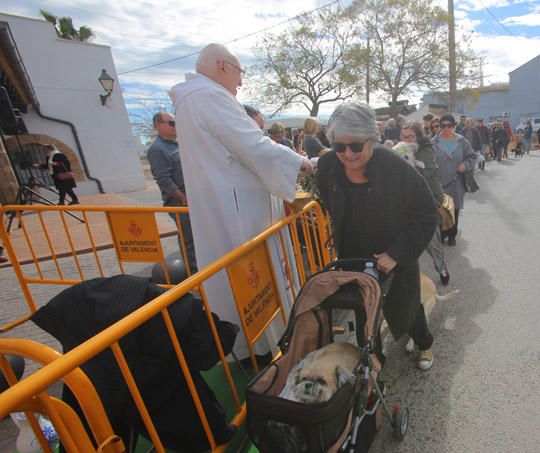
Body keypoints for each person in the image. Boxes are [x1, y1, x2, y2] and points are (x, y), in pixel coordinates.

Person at [169, 43, 313, 358]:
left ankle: (243, 345)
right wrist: (300, 163)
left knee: (228, 279)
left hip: (218, 203)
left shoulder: (190, 100)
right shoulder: (211, 97)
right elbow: (253, 145)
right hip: (239, 212)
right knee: (253, 276)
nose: (241, 82)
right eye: (239, 73)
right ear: (223, 66)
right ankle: (265, 345)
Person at [315, 102, 438, 369]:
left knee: (407, 307)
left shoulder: (395, 168)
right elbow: (329, 199)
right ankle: (373, 363)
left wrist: (397, 253)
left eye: (356, 146)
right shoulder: (327, 166)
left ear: (371, 139)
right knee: (364, 311)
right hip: (352, 254)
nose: (348, 154)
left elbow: (427, 214)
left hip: (394, 250)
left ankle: (424, 343)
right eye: (339, 146)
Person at [147, 111, 197, 272]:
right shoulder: (157, 149)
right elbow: (163, 179)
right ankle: (195, 275)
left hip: (192, 199)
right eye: (171, 123)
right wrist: (182, 197)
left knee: (199, 237)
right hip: (179, 202)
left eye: (176, 123)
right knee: (188, 239)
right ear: (158, 125)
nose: (175, 126)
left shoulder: (178, 144)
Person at [401, 121, 450, 285]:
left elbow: (421, 174)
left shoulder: (426, 150)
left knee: (432, 242)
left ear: (418, 136)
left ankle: (441, 268)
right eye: (404, 136)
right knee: (406, 240)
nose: (407, 140)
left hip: (428, 200)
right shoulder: (402, 149)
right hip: (407, 203)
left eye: (411, 136)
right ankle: (407, 279)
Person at [432, 113, 476, 247]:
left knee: (454, 209)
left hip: (456, 181)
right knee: (441, 209)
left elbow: (472, 157)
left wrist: (465, 165)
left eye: (448, 125)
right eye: (442, 125)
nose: (445, 128)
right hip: (440, 182)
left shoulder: (462, 141)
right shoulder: (433, 142)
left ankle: (452, 235)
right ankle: (442, 233)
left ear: (454, 126)